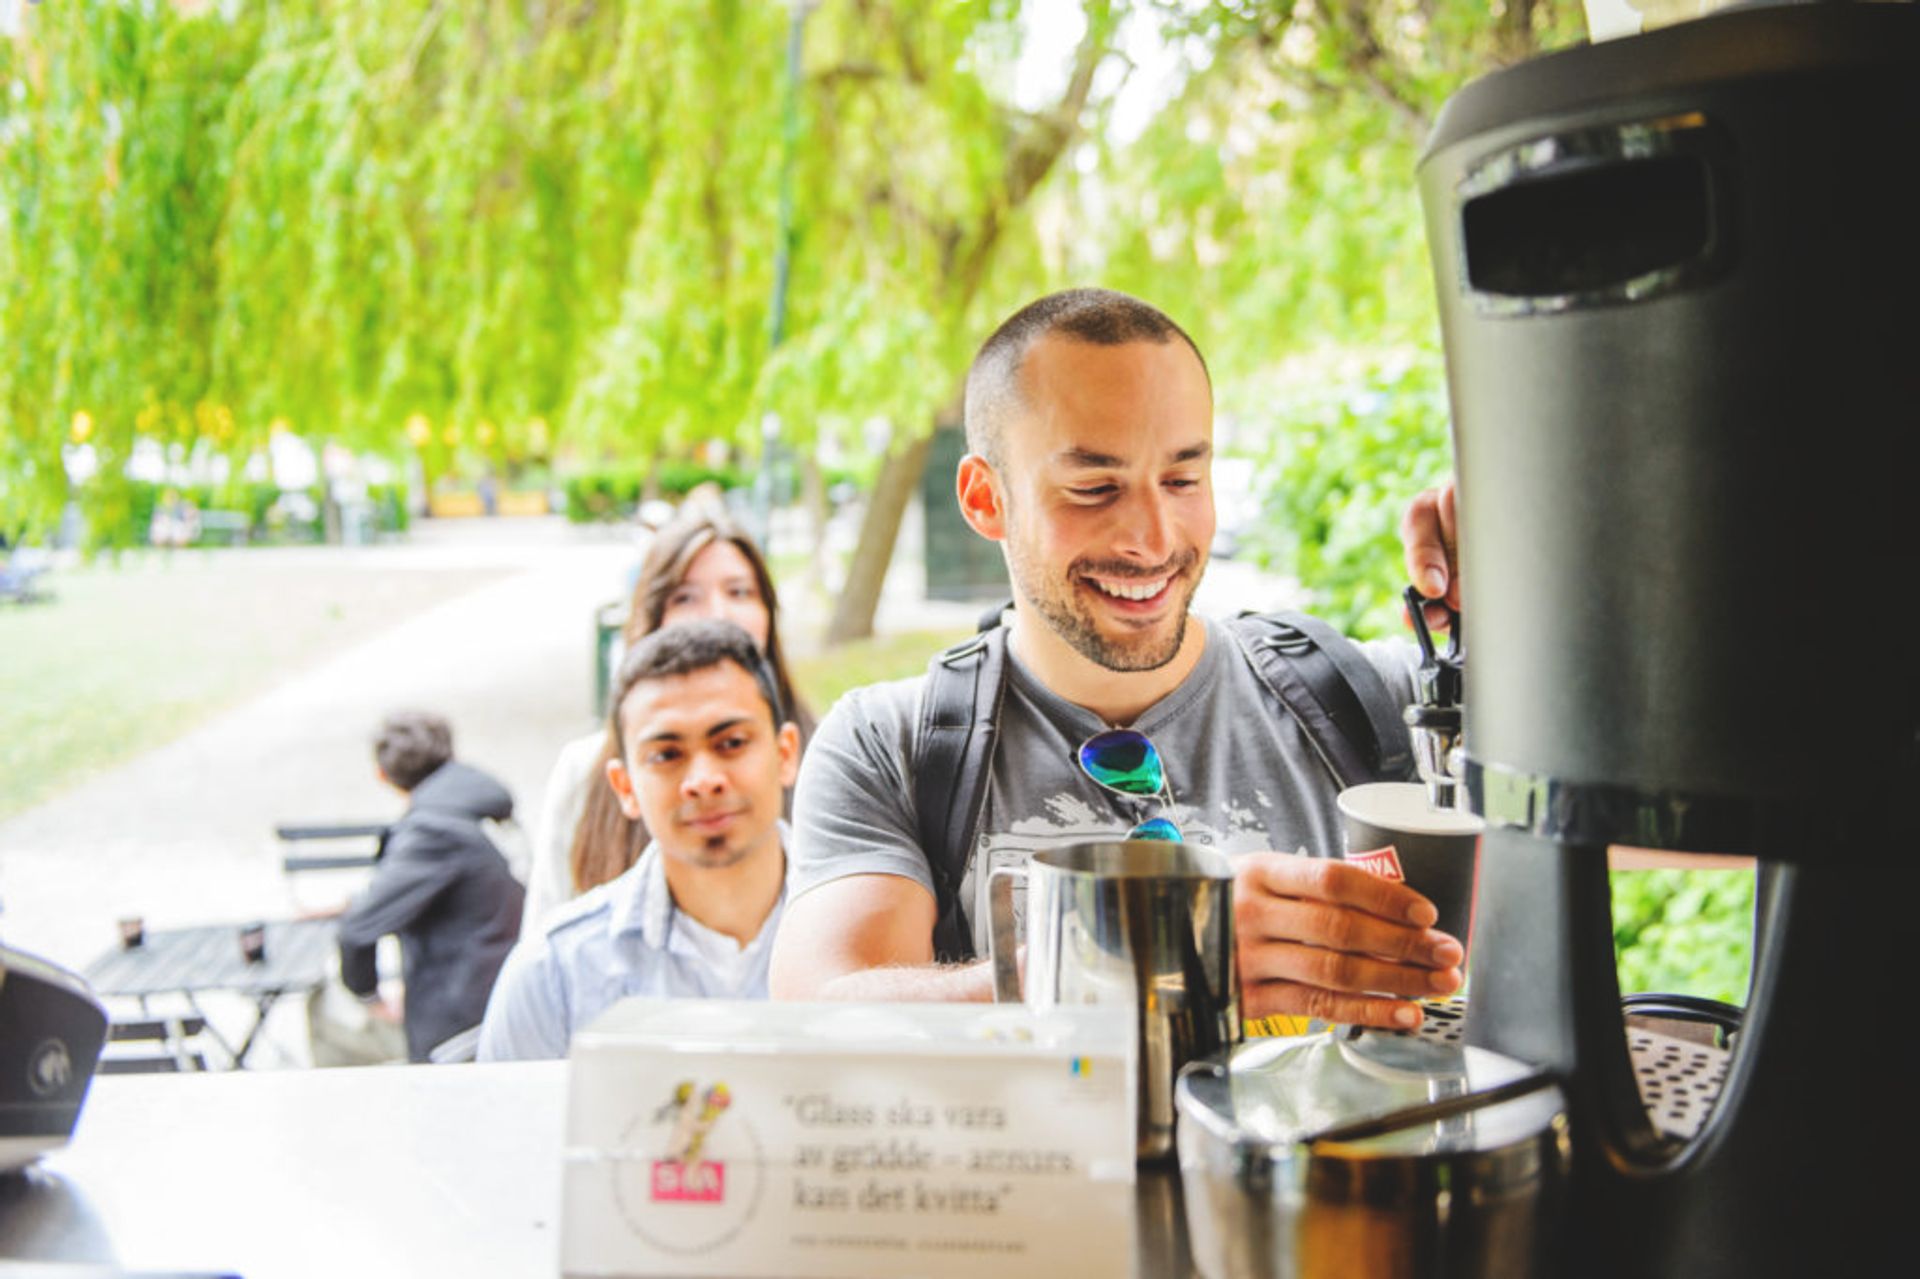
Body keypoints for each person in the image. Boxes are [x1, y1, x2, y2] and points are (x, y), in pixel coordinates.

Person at [769, 287, 1464, 1030]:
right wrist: (1150, 949)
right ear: (983, 498)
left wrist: (1544, 604)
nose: (1153, 537)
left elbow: (1603, 829)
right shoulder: (890, 744)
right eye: (1094, 487)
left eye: (1182, 479)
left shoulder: (1376, 701)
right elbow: (823, 1015)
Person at [476, 620, 801, 1061]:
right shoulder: (552, 974)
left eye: (732, 742)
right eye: (667, 755)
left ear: (785, 754)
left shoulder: (879, 940)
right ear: (625, 786)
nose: (703, 781)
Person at [520, 509, 814, 939]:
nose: (717, 612)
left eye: (739, 591)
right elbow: (545, 928)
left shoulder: (833, 752)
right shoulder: (584, 770)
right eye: (685, 597)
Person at [334, 711, 526, 1063]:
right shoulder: (480, 803)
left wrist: (370, 998)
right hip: (504, 983)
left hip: (463, 1016)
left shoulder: (433, 831)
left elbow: (358, 928)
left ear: (382, 775)